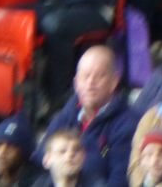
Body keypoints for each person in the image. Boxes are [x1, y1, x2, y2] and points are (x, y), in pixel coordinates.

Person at [40, 45, 139, 187]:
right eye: (85, 76)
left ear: (114, 82)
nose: (90, 83)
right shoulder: (64, 116)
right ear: (75, 82)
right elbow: (39, 161)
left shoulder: (128, 124)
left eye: (99, 76)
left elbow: (120, 181)